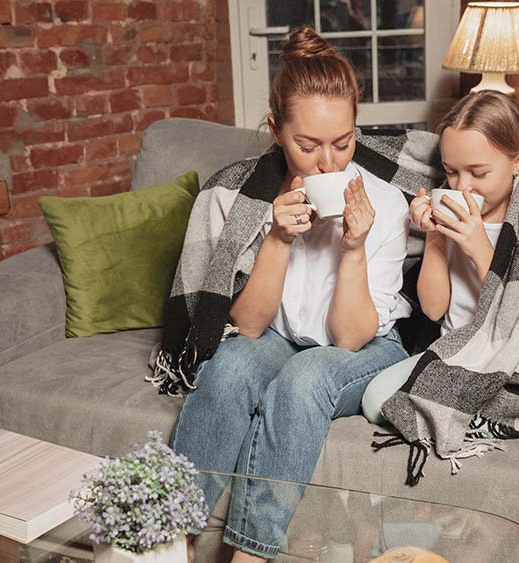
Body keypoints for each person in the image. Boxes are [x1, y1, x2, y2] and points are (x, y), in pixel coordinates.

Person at [166, 26, 418, 562]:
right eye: (308, 146)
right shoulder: (254, 202)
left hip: (367, 347)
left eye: (344, 143)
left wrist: (354, 246)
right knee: (230, 366)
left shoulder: (387, 204)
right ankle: (171, 541)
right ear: (277, 132)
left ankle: (250, 555)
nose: (329, 163)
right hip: (283, 336)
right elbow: (251, 327)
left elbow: (350, 338)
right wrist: (278, 238)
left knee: (303, 380)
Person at [362, 91, 519, 425]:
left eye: (478, 173)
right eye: (452, 172)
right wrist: (436, 236)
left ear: (518, 162)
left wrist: (479, 245)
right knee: (374, 402)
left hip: (507, 357)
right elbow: (434, 309)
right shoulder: (450, 210)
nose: (463, 186)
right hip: (452, 352)